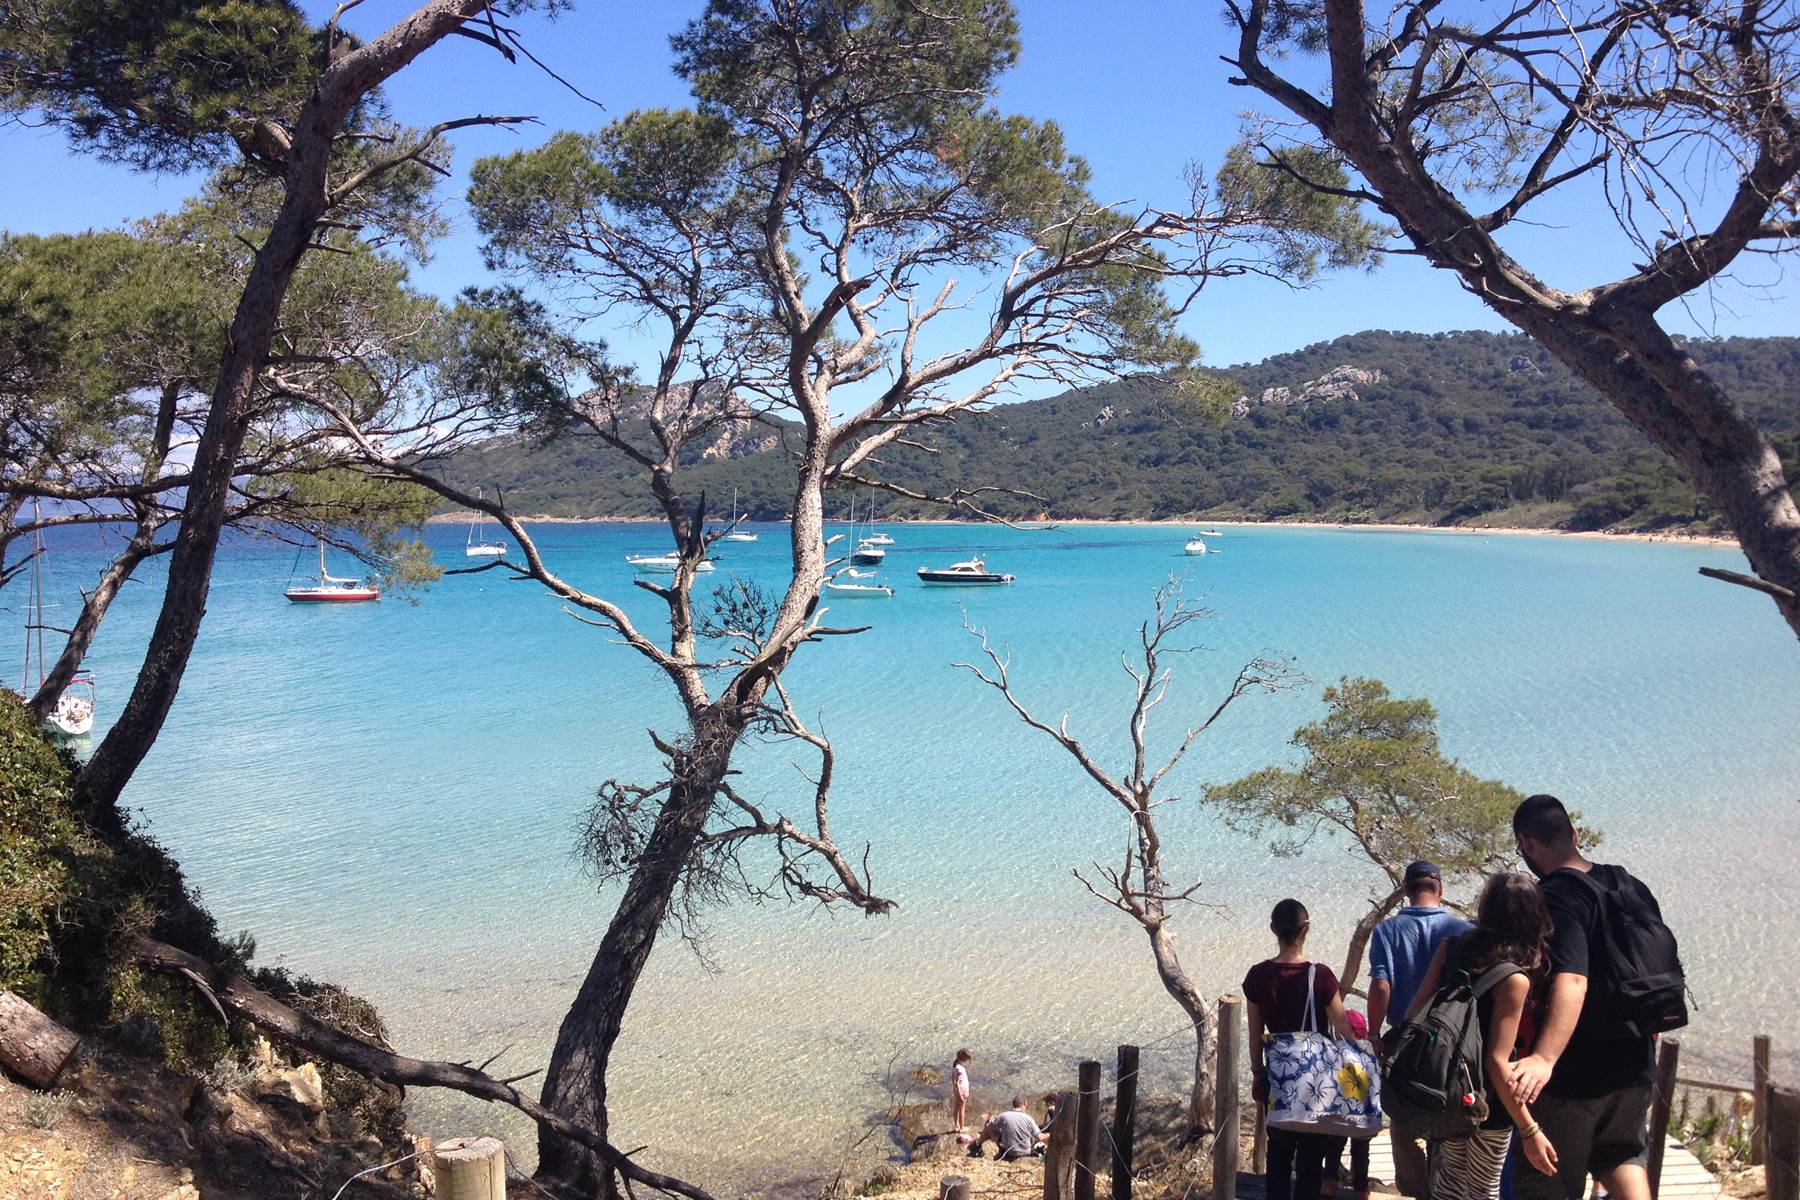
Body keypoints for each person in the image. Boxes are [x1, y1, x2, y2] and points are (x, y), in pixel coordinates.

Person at [1505, 795, 1667, 1200]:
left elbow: (1573, 979)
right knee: (1623, 1158)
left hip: (1575, 1076)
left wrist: (1543, 1059)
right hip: (1635, 1064)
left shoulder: (1556, 895)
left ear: (1527, 844)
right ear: (1574, 833)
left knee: (1547, 1184)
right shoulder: (1630, 885)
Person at [1405, 873, 1560, 1200]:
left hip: (1445, 1090)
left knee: (1447, 1185)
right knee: (1482, 1190)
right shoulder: (1515, 979)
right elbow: (1494, 1061)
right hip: (1490, 1102)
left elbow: (1413, 1016)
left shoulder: (1451, 948)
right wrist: (1530, 1129)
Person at [1369, 860, 1474, 1200]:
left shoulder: (1387, 931)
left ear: (1406, 892)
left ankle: (1418, 1192)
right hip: (1454, 1043)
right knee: (1449, 1115)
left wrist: (1373, 1033)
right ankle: (1443, 1186)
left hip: (1406, 1039)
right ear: (1440, 889)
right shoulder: (1464, 931)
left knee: (1403, 1118)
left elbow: (1382, 986)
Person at [1245, 899, 1359, 1200]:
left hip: (1278, 1080)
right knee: (1310, 1162)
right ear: (1306, 929)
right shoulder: (1320, 976)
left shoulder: (1257, 976)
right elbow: (1344, 1030)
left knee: (1278, 1156)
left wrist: (1258, 1074)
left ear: (1273, 929)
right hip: (1315, 1084)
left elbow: (1255, 1034)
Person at [1321, 1011, 1374, 1200]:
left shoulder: (1336, 1051)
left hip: (1339, 1115)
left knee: (1334, 1147)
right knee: (1361, 1151)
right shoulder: (1370, 1052)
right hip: (1363, 1116)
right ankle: (1361, 1190)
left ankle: (1329, 1184)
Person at [982, 1096, 1046, 1162]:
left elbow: (989, 1126)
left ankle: (977, 1145)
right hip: (1025, 1152)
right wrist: (1049, 1134)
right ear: (1023, 1105)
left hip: (1009, 1152)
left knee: (993, 1130)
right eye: (1026, 1105)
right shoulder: (1028, 1119)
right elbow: (1040, 1137)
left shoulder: (1004, 1116)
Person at [951, 1048, 973, 1132]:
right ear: (964, 1059)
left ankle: (956, 1126)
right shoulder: (960, 1069)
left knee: (956, 1108)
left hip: (957, 1091)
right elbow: (957, 1082)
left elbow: (954, 1082)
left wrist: (956, 1092)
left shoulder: (956, 1067)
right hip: (962, 1091)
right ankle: (961, 1127)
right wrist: (960, 1094)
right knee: (961, 1109)